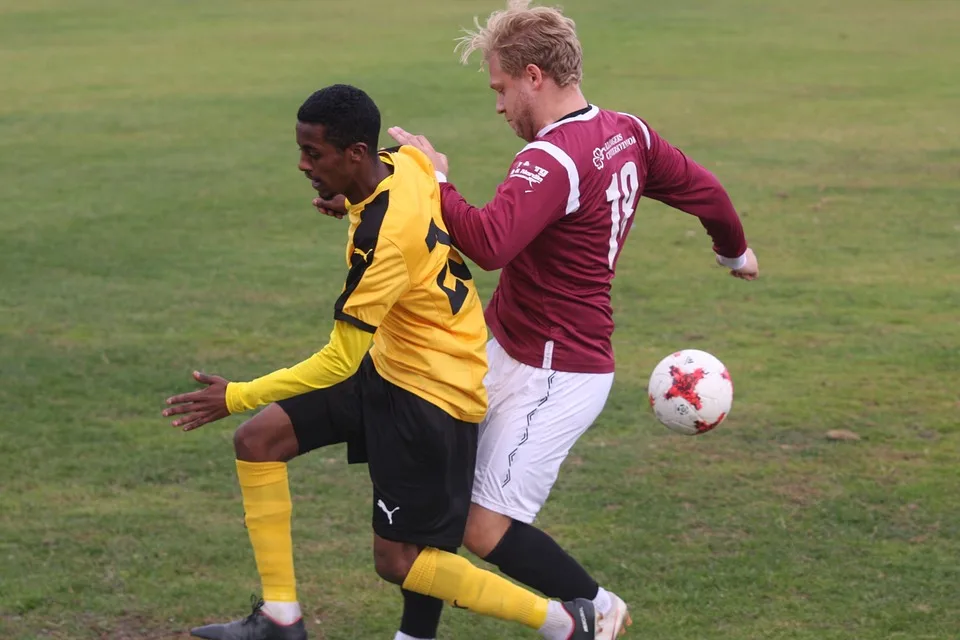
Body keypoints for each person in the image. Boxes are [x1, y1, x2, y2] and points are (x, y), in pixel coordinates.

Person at [317, 3, 759, 639]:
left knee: (481, 524)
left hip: (555, 370)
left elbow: (490, 242)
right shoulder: (627, 131)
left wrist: (436, 181)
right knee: (440, 492)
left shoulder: (551, 160)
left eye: (500, 88)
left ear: (533, 76)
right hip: (505, 348)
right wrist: (734, 252)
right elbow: (705, 191)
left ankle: (596, 609)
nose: (498, 106)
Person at [162, 83, 604, 640]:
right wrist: (346, 199)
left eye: (313, 154)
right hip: (396, 365)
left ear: (354, 154)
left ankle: (563, 622)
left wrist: (236, 394)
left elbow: (337, 360)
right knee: (258, 443)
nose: (302, 165)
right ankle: (280, 618)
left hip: (431, 398)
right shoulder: (405, 162)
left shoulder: (383, 245)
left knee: (397, 561)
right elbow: (417, 177)